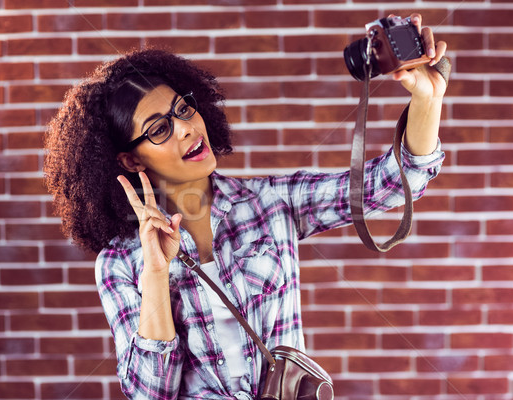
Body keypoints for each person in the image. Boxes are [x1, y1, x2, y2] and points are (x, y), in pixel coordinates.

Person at [44, 13, 447, 400]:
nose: (186, 127)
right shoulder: (119, 262)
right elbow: (151, 394)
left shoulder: (271, 202)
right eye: (159, 129)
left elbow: (393, 185)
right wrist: (154, 272)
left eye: (183, 109)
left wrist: (428, 98)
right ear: (130, 160)